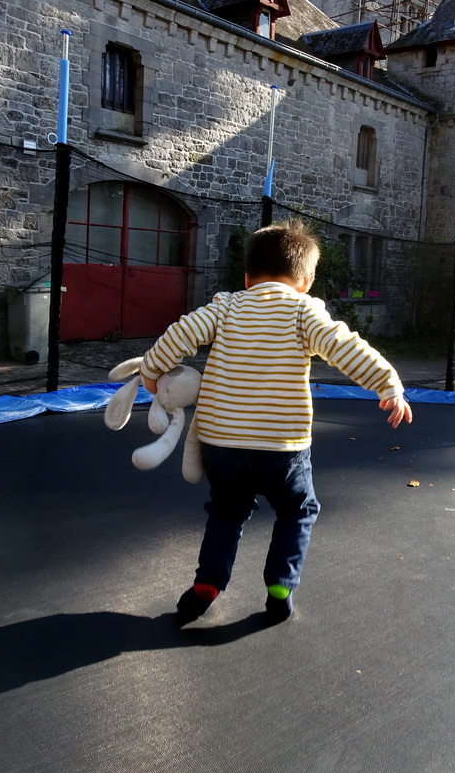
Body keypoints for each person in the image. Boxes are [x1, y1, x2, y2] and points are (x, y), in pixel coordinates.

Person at [140, 219, 413, 624]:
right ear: (305, 280)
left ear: (248, 277)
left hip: (222, 445)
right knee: (298, 509)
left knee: (227, 512)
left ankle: (208, 582)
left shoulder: (227, 305)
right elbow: (344, 345)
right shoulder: (304, 310)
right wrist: (388, 384)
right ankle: (280, 584)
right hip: (280, 448)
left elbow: (182, 332)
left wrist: (152, 370)